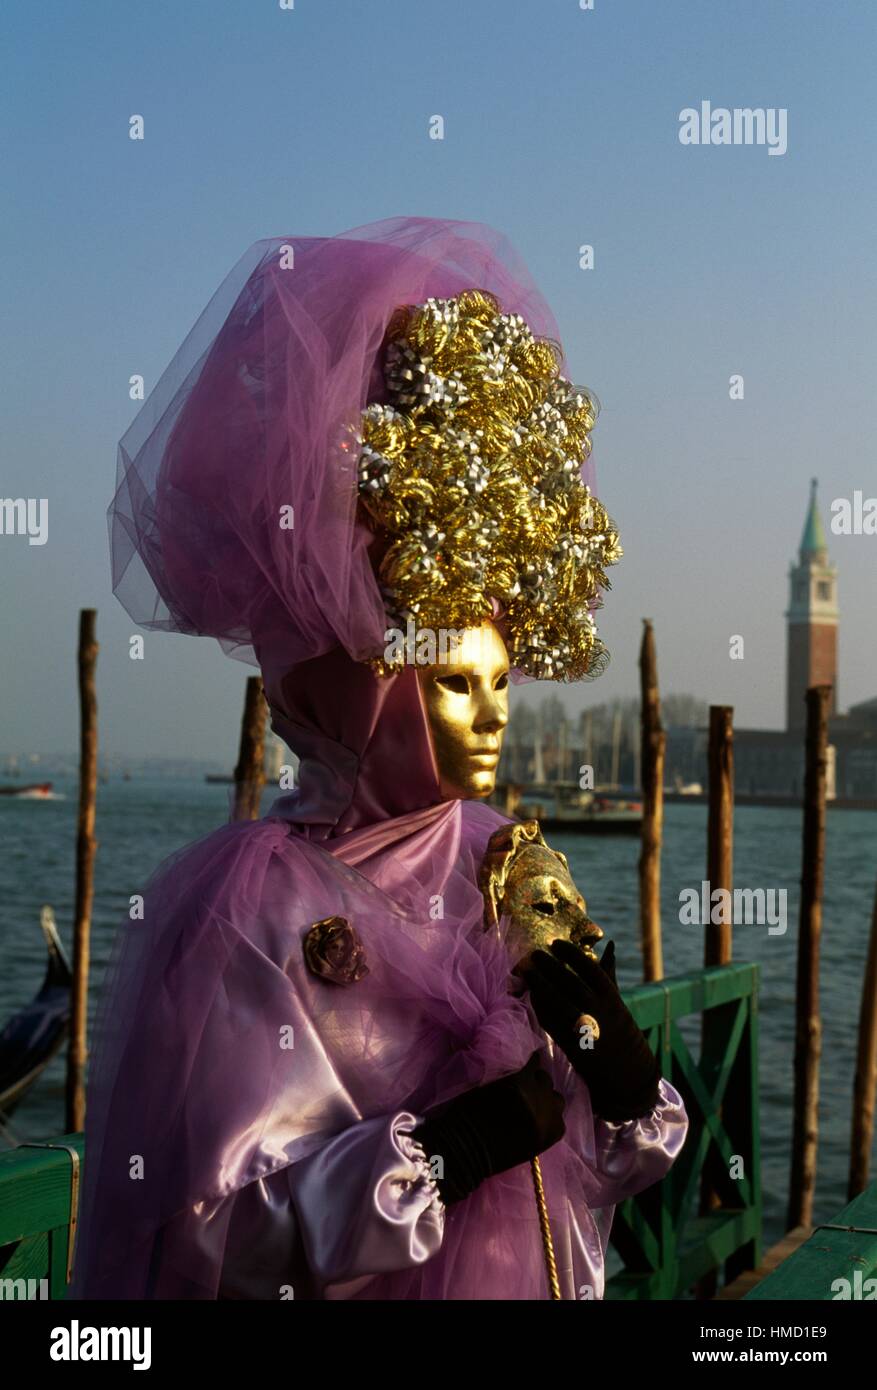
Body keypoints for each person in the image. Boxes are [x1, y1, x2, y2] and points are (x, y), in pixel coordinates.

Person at [72, 216, 687, 1301]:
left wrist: (623, 1086)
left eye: (501, 683)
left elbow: (591, 1182)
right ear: (365, 692)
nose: (492, 717)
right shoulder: (253, 907)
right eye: (453, 685)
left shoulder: (509, 869)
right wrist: (438, 1155)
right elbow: (205, 1245)